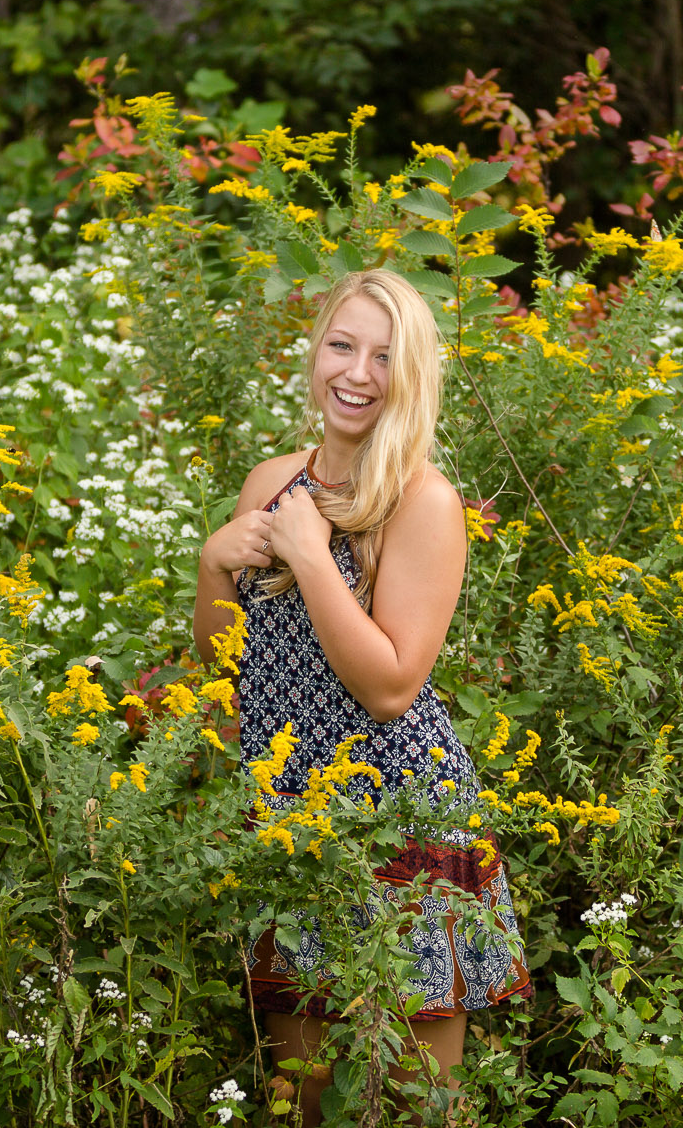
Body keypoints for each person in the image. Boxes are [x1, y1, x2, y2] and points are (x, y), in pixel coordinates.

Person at [192, 268, 531, 1126]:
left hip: (402, 819)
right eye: (342, 345)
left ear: (410, 375)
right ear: (316, 354)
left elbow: (390, 685)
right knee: (306, 1098)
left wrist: (308, 555)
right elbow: (224, 662)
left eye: (385, 355)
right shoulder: (271, 477)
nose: (357, 371)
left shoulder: (423, 500)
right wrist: (212, 560)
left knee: (418, 1102)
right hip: (292, 823)